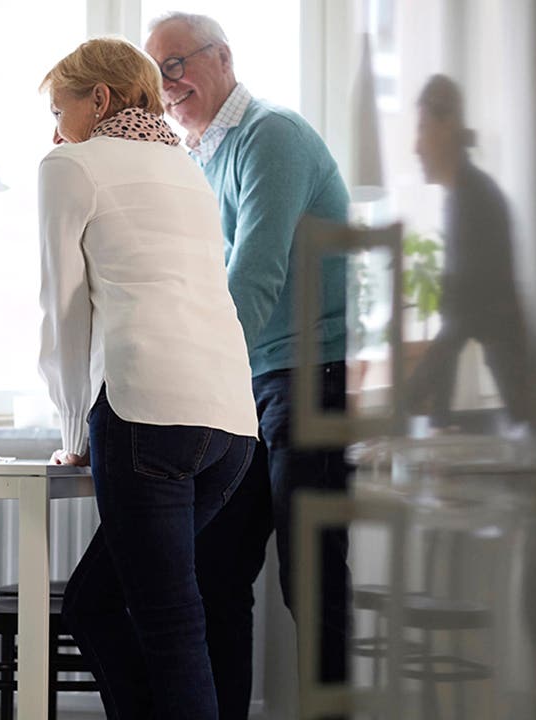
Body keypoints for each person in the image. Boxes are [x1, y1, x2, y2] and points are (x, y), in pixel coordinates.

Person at [37, 38, 258, 720]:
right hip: (231, 429)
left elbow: (63, 313)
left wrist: (72, 431)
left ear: (98, 99)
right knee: (94, 603)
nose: (53, 128)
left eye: (59, 108)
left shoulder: (70, 166)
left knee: (169, 626)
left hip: (147, 416)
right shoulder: (185, 167)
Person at [145, 12, 353, 715]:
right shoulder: (203, 157)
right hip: (249, 384)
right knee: (215, 569)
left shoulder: (272, 135)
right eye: (157, 74)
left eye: (177, 65)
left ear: (222, 59)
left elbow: (254, 278)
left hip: (308, 378)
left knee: (311, 577)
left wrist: (192, 374)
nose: (167, 85)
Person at [404, 74, 529, 428]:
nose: (416, 146)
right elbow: (458, 315)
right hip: (515, 389)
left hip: (518, 391)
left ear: (448, 126)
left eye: (422, 128)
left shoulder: (475, 199)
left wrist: (409, 398)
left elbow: (463, 315)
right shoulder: (464, 197)